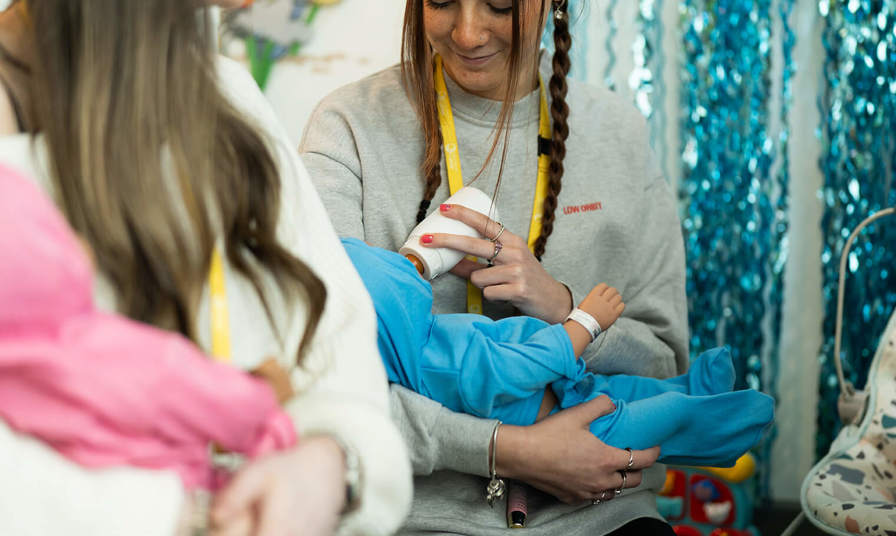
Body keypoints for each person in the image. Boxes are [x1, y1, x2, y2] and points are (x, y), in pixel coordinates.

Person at [0, 1, 411, 535]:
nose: (248, 6)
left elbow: (338, 358)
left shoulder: (225, 96)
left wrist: (335, 463)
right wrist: (194, 516)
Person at [301, 0, 688, 533]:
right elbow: (318, 379)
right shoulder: (347, 126)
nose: (467, 33)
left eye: (501, 5)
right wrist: (507, 450)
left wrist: (566, 311)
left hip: (599, 516)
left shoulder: (618, 133)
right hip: (412, 518)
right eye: (441, 1)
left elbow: (667, 366)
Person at [343, 237, 774, 469]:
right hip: (572, 427)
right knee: (659, 420)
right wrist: (584, 323)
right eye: (398, 270)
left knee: (628, 388)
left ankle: (687, 387)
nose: (406, 264)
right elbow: (515, 371)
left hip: (570, 385)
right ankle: (716, 425)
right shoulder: (436, 364)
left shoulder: (427, 336)